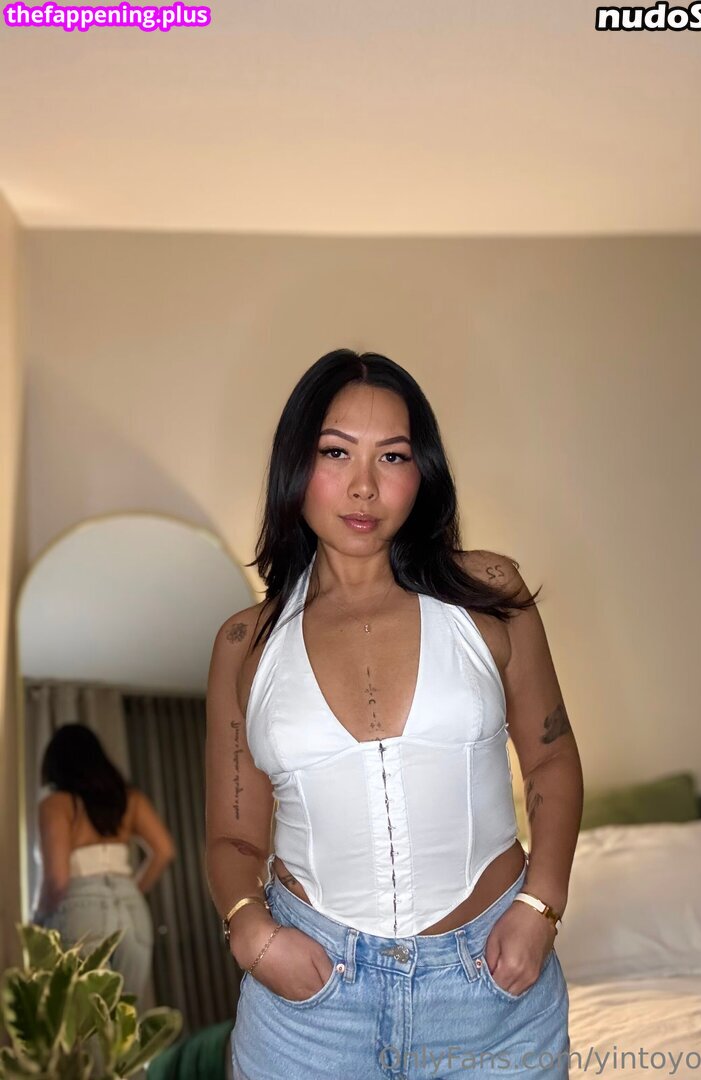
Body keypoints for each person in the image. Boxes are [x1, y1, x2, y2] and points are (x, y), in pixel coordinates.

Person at [205, 349, 584, 1080]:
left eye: (393, 455)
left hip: (494, 990)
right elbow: (232, 835)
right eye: (335, 452)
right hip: (310, 1009)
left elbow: (551, 759)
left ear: (422, 471)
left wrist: (542, 905)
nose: (364, 486)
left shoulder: (488, 593)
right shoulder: (243, 645)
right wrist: (249, 930)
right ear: (295, 464)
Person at [34, 723, 176, 1000]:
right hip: (132, 909)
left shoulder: (56, 803)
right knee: (123, 1017)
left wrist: (38, 920)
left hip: (81, 907)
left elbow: (57, 879)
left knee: (83, 1018)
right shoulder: (130, 799)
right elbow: (164, 850)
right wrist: (133, 890)